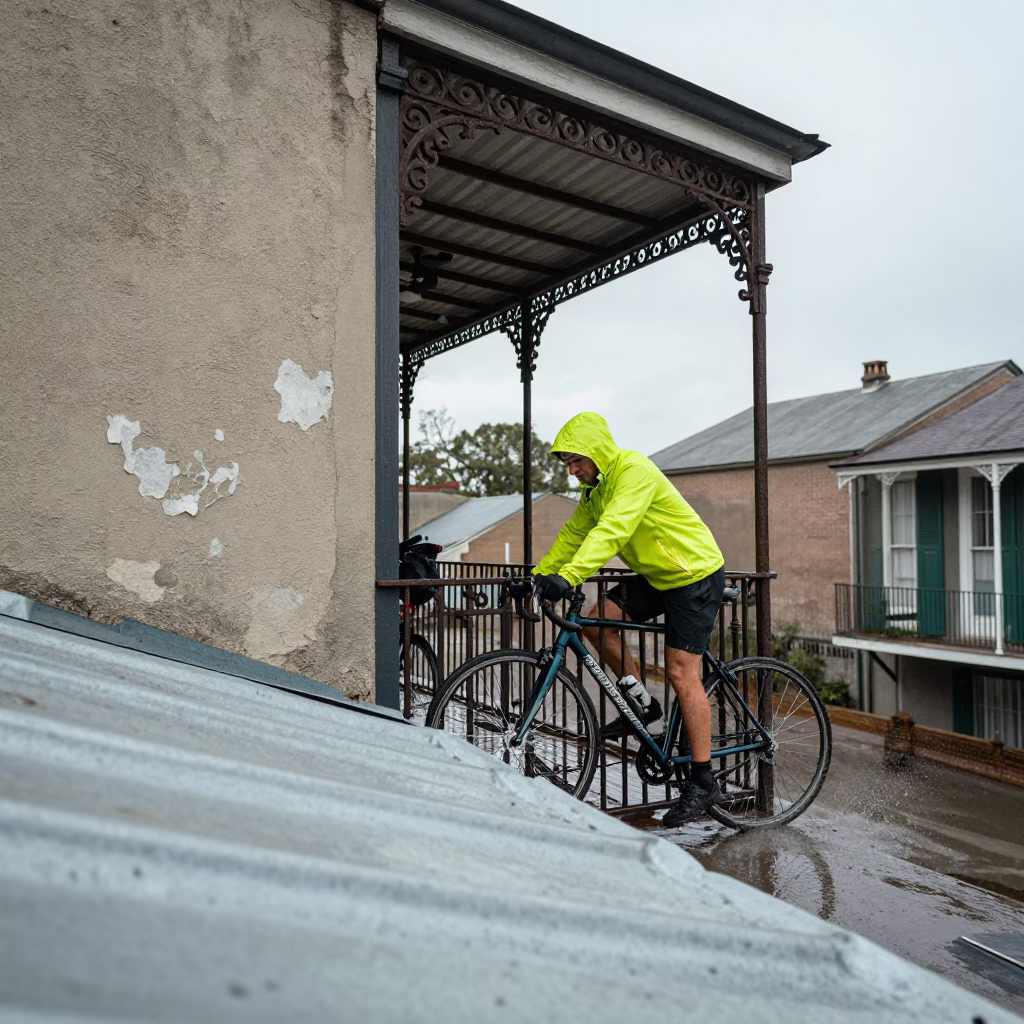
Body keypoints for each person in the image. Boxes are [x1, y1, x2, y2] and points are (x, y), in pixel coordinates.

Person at [531, 411, 726, 827]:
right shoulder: (594, 490)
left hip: (694, 574)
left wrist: (568, 577)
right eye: (567, 465)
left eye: (576, 461)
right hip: (660, 576)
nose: (574, 471)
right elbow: (573, 535)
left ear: (596, 452)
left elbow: (613, 531)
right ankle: (642, 704)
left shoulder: (633, 471)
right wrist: (538, 575)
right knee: (602, 621)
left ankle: (704, 779)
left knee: (681, 672)